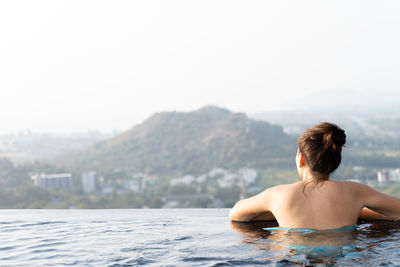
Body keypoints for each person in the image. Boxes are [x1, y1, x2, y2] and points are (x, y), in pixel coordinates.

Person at [229, 122, 400, 230]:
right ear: (336, 161)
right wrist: (358, 212)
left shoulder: (278, 196)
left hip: (294, 258)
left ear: (301, 158)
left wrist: (277, 211)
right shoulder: (356, 193)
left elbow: (236, 214)